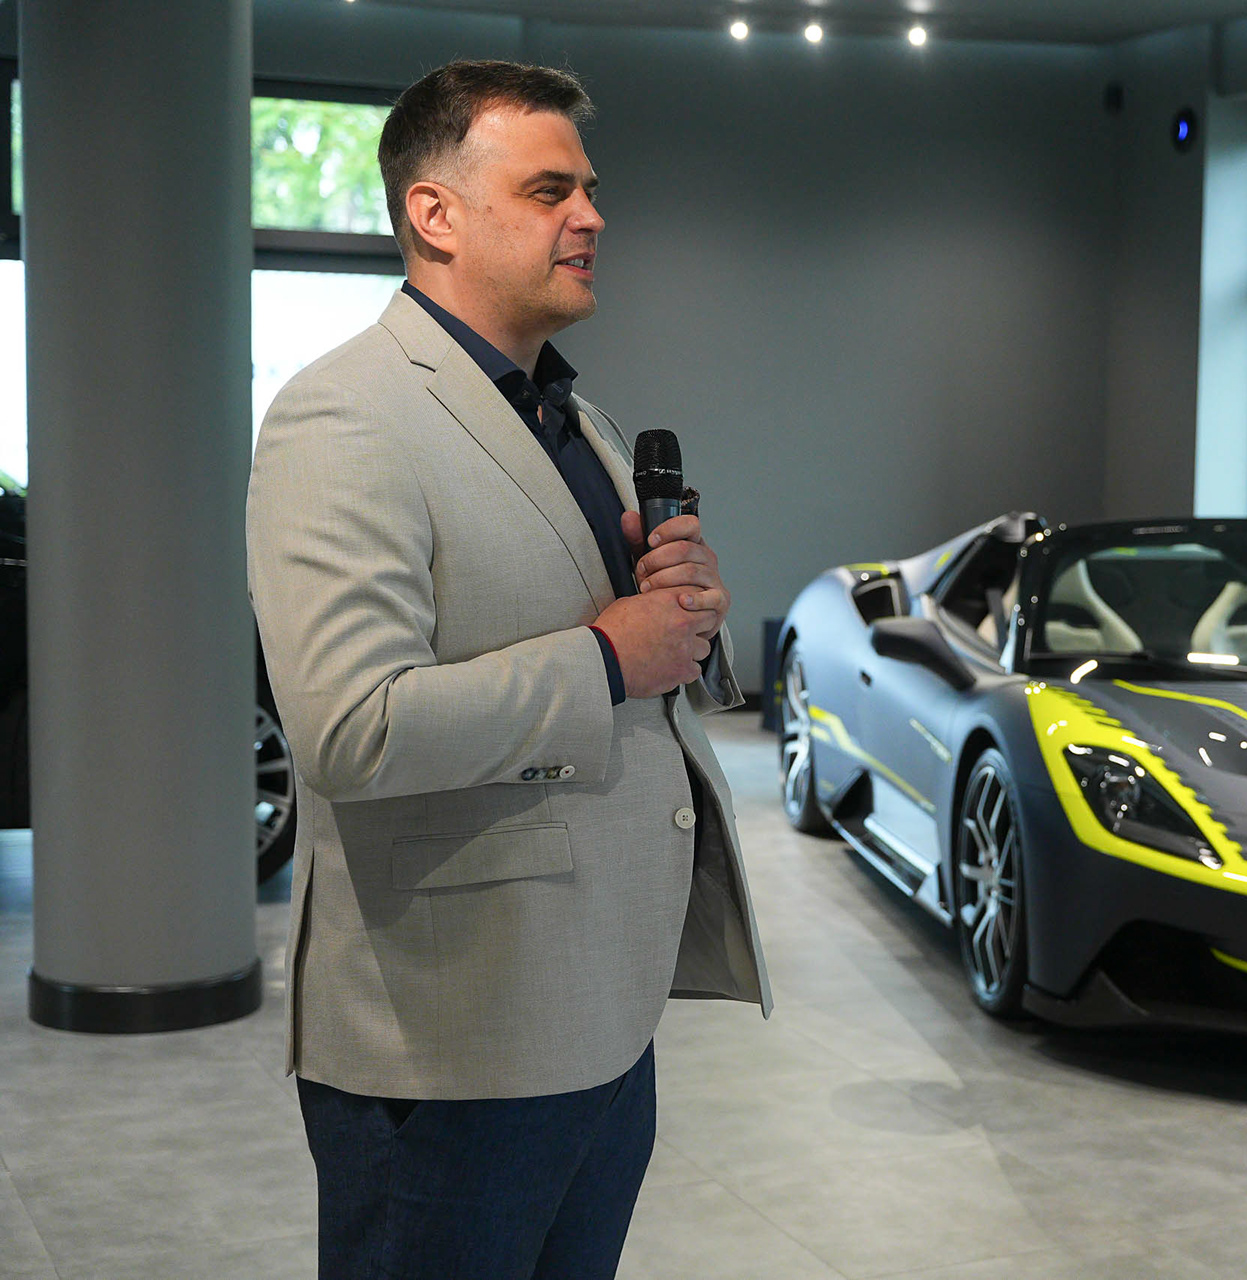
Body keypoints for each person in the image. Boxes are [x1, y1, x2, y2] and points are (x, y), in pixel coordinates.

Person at [246, 60, 769, 1280]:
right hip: (454, 1041)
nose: (591, 217)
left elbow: (631, 652)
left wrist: (681, 615)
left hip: (599, 1010)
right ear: (435, 213)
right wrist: (607, 654)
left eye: (587, 189)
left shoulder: (570, 417)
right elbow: (351, 727)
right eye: (549, 191)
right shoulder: (344, 415)